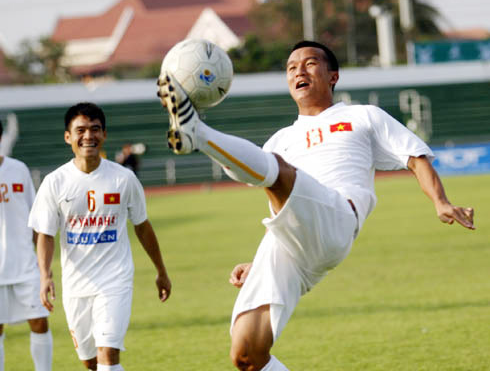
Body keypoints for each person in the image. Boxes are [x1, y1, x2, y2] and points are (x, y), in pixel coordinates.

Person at [158, 40, 476, 370]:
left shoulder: (363, 115)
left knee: (277, 171)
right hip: (289, 244)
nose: (299, 71)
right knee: (247, 355)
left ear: (333, 76)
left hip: (338, 217)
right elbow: (281, 208)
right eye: (292, 67)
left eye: (310, 64)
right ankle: (198, 133)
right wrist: (258, 263)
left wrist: (441, 202)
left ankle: (197, 131)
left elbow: (415, 158)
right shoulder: (281, 139)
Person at [28, 103, 172, 371]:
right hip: (75, 285)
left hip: (114, 279)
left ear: (104, 134)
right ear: (68, 137)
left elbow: (142, 225)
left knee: (108, 355)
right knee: (90, 362)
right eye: (80, 130)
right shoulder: (55, 182)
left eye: (95, 129)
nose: (88, 136)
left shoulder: (124, 179)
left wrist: (161, 270)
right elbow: (45, 234)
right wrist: (45, 275)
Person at [0, 121, 53, 371]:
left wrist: (45, 269)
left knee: (40, 321)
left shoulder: (18, 169)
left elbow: (36, 218)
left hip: (25, 265)